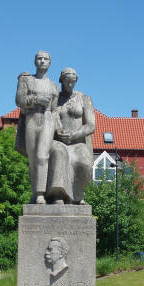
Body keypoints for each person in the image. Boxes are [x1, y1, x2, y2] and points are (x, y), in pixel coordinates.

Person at [46, 68, 95, 204]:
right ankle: (58, 195)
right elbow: (50, 117)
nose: (70, 85)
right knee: (59, 152)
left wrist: (74, 135)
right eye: (67, 81)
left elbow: (91, 125)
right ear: (61, 80)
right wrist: (59, 130)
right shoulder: (55, 99)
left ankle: (77, 196)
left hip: (77, 142)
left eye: (72, 82)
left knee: (84, 160)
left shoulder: (84, 99)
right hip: (58, 140)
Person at [15, 51, 59, 204]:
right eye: (39, 58)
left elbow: (55, 109)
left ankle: (41, 193)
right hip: (32, 118)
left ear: (50, 62)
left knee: (42, 156)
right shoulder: (26, 80)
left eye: (45, 59)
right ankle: (35, 191)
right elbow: (19, 100)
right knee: (33, 159)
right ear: (35, 62)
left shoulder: (54, 86)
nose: (42, 61)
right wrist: (36, 99)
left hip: (47, 119)